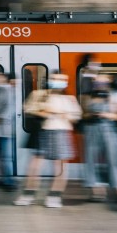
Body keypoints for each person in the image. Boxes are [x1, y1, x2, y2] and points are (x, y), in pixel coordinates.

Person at [14, 72, 82, 208]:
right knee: (35, 165)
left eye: (62, 80)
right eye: (56, 79)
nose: (59, 82)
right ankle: (28, 194)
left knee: (60, 166)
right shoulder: (39, 94)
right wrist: (44, 111)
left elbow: (76, 116)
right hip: (42, 131)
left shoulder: (69, 99)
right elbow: (27, 108)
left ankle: (55, 195)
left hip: (62, 132)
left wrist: (61, 114)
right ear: (50, 80)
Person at [81, 74, 117, 205]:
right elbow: (84, 114)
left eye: (102, 82)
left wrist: (106, 114)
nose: (99, 85)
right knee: (91, 160)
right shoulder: (87, 97)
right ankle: (97, 192)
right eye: (97, 82)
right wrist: (90, 115)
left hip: (110, 130)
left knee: (115, 160)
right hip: (91, 129)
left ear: (108, 82)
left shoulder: (116, 96)